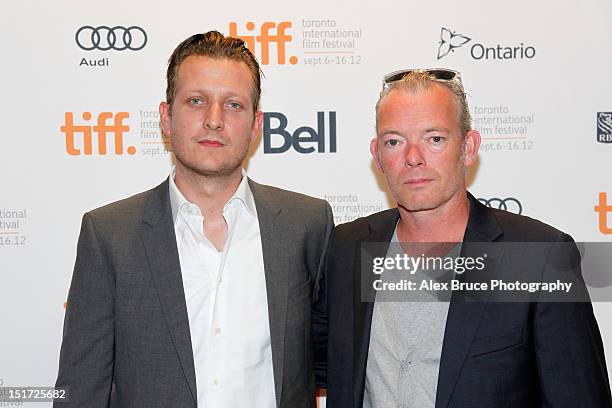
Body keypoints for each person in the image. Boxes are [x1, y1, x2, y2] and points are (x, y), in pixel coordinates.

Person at [54, 31, 333, 408]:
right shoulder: (108, 236)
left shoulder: (307, 224)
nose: (214, 120)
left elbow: (331, 363)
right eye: (196, 101)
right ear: (166, 118)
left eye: (233, 105)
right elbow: (81, 390)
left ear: (256, 125)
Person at [324, 68, 612, 407]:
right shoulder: (346, 248)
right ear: (378, 156)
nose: (413, 158)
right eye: (394, 141)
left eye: (434, 139)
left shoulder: (541, 258)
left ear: (468, 148)